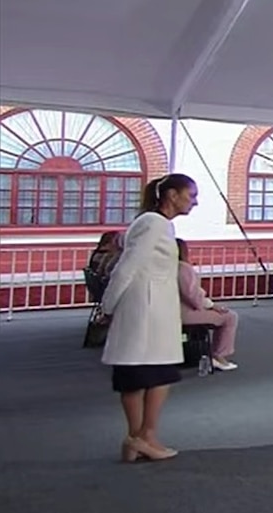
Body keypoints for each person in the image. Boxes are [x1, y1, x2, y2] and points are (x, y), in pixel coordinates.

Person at [99, 174, 198, 462]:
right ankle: (144, 436)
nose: (194, 201)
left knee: (141, 375)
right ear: (171, 195)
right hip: (147, 311)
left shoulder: (156, 224)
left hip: (150, 310)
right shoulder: (154, 223)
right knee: (152, 375)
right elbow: (127, 266)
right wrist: (108, 305)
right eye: (190, 195)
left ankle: (138, 438)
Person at [176, 238, 240, 370]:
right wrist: (211, 306)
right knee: (229, 317)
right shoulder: (183, 269)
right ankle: (218, 356)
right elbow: (192, 295)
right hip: (185, 313)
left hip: (169, 311)